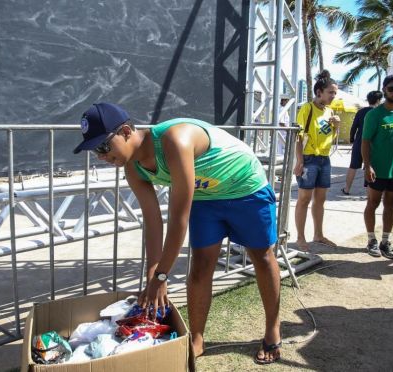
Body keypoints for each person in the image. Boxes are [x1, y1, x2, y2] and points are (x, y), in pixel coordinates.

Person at [73, 103, 282, 364]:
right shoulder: (132, 169)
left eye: (104, 146)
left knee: (261, 257)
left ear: (126, 131)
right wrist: (152, 271)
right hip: (207, 198)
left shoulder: (175, 139)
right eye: (95, 151)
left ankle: (273, 329)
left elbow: (178, 219)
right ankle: (197, 338)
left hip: (246, 188)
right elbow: (152, 220)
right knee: (200, 266)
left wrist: (162, 275)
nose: (101, 156)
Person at [362, 74, 393, 259]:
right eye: (392, 88)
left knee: (391, 205)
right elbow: (365, 142)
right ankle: (371, 240)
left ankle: (385, 241)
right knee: (373, 204)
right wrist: (368, 166)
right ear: (384, 90)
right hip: (377, 170)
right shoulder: (374, 115)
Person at [294, 70, 341, 251]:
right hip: (309, 159)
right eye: (331, 92)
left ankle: (318, 235)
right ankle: (300, 238)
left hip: (324, 159)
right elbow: (298, 136)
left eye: (335, 93)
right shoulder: (307, 108)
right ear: (319, 91)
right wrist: (299, 161)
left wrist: (336, 127)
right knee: (304, 199)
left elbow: (331, 136)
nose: (333, 96)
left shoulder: (330, 110)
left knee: (320, 199)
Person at [341, 90, 383, 195]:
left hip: (359, 141)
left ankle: (346, 189)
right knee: (369, 166)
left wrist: (352, 139)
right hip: (373, 144)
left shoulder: (361, 112)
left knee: (353, 166)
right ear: (378, 100)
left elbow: (353, 127)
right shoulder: (379, 113)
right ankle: (369, 191)